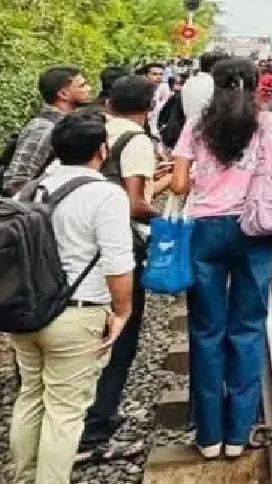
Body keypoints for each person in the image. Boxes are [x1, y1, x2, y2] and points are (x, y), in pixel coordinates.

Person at [171, 57, 272, 459]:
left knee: (206, 330)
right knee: (247, 329)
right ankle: (238, 434)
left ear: (214, 85)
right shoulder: (270, 125)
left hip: (204, 232)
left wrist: (207, 179)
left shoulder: (196, 125)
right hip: (253, 230)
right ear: (255, 84)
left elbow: (179, 184)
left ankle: (208, 436)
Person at [8, 114, 134, 484]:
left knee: (31, 396)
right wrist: (122, 312)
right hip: (77, 314)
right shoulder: (106, 194)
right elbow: (117, 263)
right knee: (65, 411)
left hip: (27, 312)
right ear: (102, 150)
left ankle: (24, 478)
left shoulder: (29, 190)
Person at [75, 76, 171, 465]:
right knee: (120, 340)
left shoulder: (86, 126)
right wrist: (164, 213)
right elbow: (132, 204)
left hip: (75, 248)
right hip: (115, 250)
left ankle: (67, 428)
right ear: (148, 108)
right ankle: (94, 434)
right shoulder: (136, 140)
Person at [2, 66, 93, 196]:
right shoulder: (44, 127)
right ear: (63, 94)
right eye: (82, 85)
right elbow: (15, 182)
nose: (89, 89)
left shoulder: (68, 124)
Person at [181, 51, 226, 122]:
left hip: (188, 127)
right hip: (207, 129)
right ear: (214, 67)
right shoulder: (215, 85)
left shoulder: (189, 82)